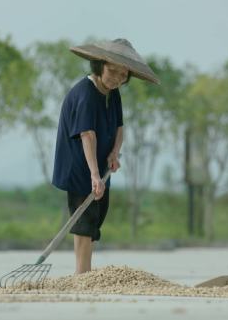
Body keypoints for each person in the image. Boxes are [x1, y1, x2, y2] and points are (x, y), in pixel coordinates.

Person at [52, 38, 159, 274]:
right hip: (80, 166)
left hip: (101, 166)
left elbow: (119, 127)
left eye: (123, 74)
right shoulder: (86, 93)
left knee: (97, 217)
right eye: (113, 71)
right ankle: (82, 275)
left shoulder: (113, 92)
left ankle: (86, 273)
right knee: (84, 221)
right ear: (99, 65)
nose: (118, 78)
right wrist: (94, 174)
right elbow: (87, 135)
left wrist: (114, 153)